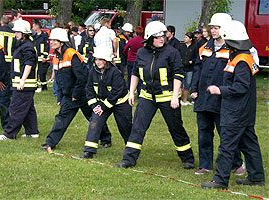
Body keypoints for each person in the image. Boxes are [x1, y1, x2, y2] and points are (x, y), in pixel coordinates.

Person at [114, 21, 195, 169]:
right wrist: (131, 92)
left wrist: (174, 97)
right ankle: (128, 159)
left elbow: (178, 74)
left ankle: (187, 158)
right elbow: (135, 73)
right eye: (158, 37)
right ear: (150, 38)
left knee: (176, 128)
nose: (161, 39)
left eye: (163, 36)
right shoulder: (141, 52)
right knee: (138, 127)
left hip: (167, 97)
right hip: (147, 96)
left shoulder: (172, 52)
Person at [202, 20, 265, 189]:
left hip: (236, 111)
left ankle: (220, 180)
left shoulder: (241, 60)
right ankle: (256, 176)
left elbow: (241, 87)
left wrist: (219, 89)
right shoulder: (242, 57)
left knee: (227, 145)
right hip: (244, 110)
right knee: (249, 143)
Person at [40, 28, 111, 150]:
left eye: (54, 40)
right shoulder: (57, 57)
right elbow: (59, 79)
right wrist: (60, 97)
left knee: (93, 117)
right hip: (69, 95)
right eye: (51, 40)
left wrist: (76, 94)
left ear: (62, 41)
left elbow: (81, 77)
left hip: (82, 94)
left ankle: (105, 139)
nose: (51, 42)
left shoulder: (71, 54)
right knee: (61, 118)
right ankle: (50, 142)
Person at [191, 13, 244, 175]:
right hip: (203, 98)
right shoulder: (204, 47)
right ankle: (205, 165)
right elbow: (197, 70)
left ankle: (237, 163)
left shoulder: (233, 49)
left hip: (223, 99)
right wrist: (193, 89)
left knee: (226, 133)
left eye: (216, 28)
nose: (213, 31)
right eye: (212, 28)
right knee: (204, 133)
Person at [80, 46, 132, 158]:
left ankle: (131, 149)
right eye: (96, 59)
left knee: (125, 126)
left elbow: (116, 92)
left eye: (100, 60)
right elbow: (89, 89)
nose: (98, 62)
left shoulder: (115, 72)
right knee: (95, 121)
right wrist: (94, 106)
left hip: (120, 103)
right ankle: (89, 151)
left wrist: (103, 107)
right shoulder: (93, 72)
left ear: (107, 60)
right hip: (102, 104)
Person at [0, 19, 39, 140]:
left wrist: (23, 80)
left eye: (17, 32)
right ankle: (32, 131)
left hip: (24, 84)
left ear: (24, 33)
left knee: (16, 108)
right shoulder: (24, 45)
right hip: (21, 83)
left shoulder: (27, 47)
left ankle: (9, 134)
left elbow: (29, 64)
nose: (15, 34)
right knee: (28, 108)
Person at [178, 32, 198, 106]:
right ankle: (179, 99)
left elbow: (197, 57)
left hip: (190, 68)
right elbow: (177, 55)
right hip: (181, 68)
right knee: (180, 84)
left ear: (191, 39)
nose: (184, 38)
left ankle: (185, 99)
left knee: (187, 84)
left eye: (186, 37)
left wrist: (192, 61)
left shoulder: (194, 47)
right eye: (184, 37)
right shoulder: (181, 46)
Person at [32, 20, 50, 91]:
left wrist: (45, 57)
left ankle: (44, 87)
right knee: (35, 73)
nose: (32, 27)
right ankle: (35, 86)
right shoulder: (34, 36)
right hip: (35, 58)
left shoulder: (44, 36)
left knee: (42, 73)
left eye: (33, 26)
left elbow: (47, 47)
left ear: (37, 26)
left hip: (42, 58)